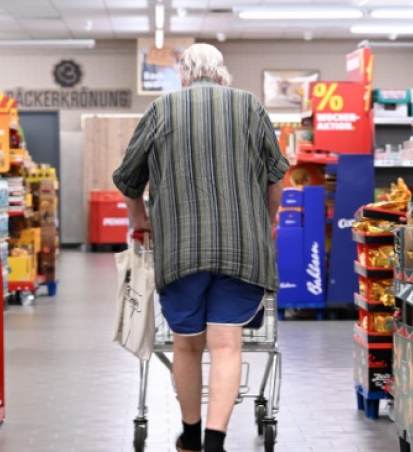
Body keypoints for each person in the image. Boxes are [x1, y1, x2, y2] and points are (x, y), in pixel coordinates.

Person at [113, 43, 289, 452]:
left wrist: (138, 217)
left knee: (186, 345)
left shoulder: (162, 109)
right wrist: (268, 221)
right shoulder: (249, 106)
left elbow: (128, 177)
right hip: (243, 249)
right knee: (228, 345)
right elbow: (276, 176)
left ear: (184, 74)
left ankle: (190, 435)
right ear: (221, 72)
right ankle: (215, 442)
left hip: (181, 250)